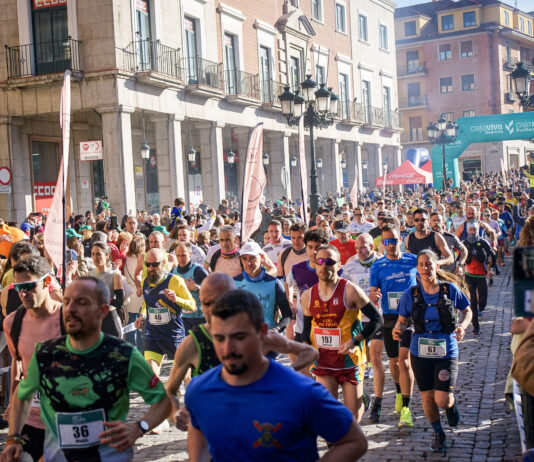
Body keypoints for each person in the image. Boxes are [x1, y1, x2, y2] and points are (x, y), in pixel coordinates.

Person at [185, 289, 368, 462]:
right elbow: (198, 446)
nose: (228, 348)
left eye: (239, 337)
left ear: (263, 332)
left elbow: (354, 441)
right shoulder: (199, 389)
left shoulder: (301, 392)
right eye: (219, 338)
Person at [0, 277, 171, 462]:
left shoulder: (123, 355)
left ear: (103, 310)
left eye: (81, 302)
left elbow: (163, 401)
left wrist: (139, 428)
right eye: (67, 301)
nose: (70, 309)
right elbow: (21, 396)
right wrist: (13, 439)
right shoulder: (45, 354)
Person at [166, 273, 319, 427]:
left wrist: (283, 374)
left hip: (249, 424)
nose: (213, 309)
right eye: (207, 303)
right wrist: (175, 414)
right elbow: (170, 391)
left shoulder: (256, 334)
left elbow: (309, 352)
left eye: (219, 301)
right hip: (208, 428)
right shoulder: (192, 344)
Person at [394, 250, 472, 453]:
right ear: (417, 269)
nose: (425, 268)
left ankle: (450, 406)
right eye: (421, 264)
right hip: (420, 353)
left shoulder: (449, 289)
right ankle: (438, 434)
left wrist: (463, 326)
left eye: (428, 264)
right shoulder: (411, 294)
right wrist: (397, 329)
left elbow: (467, 310)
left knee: (442, 400)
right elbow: (402, 321)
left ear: (436, 266)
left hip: (446, 350)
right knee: (427, 398)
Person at [301, 245, 383, 422]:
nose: (324, 265)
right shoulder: (307, 296)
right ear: (315, 264)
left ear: (339, 265)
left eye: (329, 261)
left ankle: (361, 399)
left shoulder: (351, 290)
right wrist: (306, 350)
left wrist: (355, 341)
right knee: (329, 414)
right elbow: (306, 330)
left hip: (349, 360)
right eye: (320, 261)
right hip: (324, 361)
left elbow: (377, 319)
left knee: (352, 418)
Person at [2, 256, 63, 462]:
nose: (23, 293)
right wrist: (12, 401)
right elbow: (18, 363)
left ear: (47, 281)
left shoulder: (69, 319)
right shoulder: (13, 323)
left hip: (65, 419)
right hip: (30, 419)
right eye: (18, 287)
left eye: (29, 286)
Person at [369, 224, 418, 427]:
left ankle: (406, 408)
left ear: (401, 240)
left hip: (410, 318)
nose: (390, 245)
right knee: (394, 361)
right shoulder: (378, 266)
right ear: (382, 243)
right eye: (386, 241)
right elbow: (372, 292)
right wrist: (374, 295)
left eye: (394, 240)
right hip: (389, 318)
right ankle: (399, 391)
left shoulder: (413, 260)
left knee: (404, 360)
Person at [343, 233, 385, 422]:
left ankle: (378, 403)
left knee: (375, 357)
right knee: (359, 362)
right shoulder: (350, 265)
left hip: (378, 317)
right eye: (357, 248)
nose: (360, 251)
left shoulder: (383, 262)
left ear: (372, 246)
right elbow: (344, 291)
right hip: (358, 319)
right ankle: (363, 394)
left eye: (364, 247)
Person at [135, 248, 196, 376]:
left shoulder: (175, 281)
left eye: (155, 264)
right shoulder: (145, 281)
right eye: (148, 264)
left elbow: (192, 306)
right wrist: (142, 315)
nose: (150, 268)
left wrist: (177, 299)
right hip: (153, 334)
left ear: (163, 263)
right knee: (151, 375)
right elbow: (147, 303)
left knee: (184, 376)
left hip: (173, 335)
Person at [462, 220, 496, 335]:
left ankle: (481, 308)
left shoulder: (482, 242)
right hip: (469, 276)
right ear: (467, 231)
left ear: (478, 230)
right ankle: (476, 326)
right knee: (472, 302)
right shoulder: (465, 243)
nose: (472, 232)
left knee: (482, 302)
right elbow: (459, 255)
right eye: (470, 230)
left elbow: (492, 254)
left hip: (481, 275)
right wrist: (459, 265)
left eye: (474, 230)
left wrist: (492, 268)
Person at [88, 242, 124, 337]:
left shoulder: (115, 275)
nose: (95, 257)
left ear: (107, 255)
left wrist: (103, 298)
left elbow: (120, 302)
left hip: (110, 321)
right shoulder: (88, 275)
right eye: (93, 254)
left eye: (98, 254)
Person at [173, 242, 209, 332]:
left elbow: (212, 293)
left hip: (199, 317)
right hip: (181, 317)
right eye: (178, 255)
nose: (181, 258)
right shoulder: (173, 272)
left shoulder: (198, 271)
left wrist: (196, 288)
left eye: (183, 255)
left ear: (190, 254)